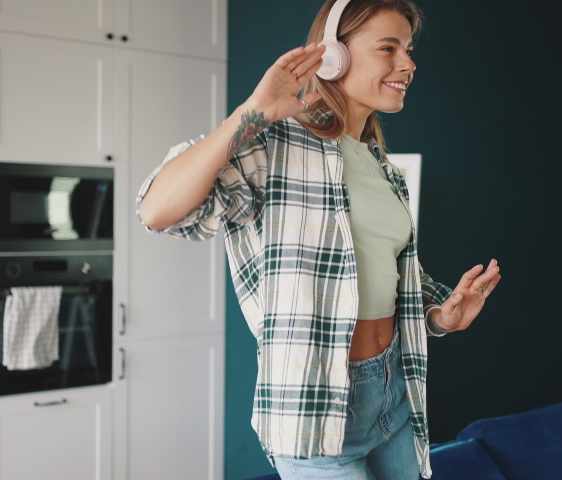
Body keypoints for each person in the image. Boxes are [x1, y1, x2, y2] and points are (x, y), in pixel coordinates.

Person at [136, 0, 501, 478]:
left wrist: (440, 315)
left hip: (393, 393)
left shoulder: (387, 172)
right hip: (314, 407)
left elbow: (383, 272)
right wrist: (253, 112)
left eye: (408, 49)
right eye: (388, 48)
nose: (408, 64)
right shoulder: (273, 146)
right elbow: (157, 210)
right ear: (335, 56)